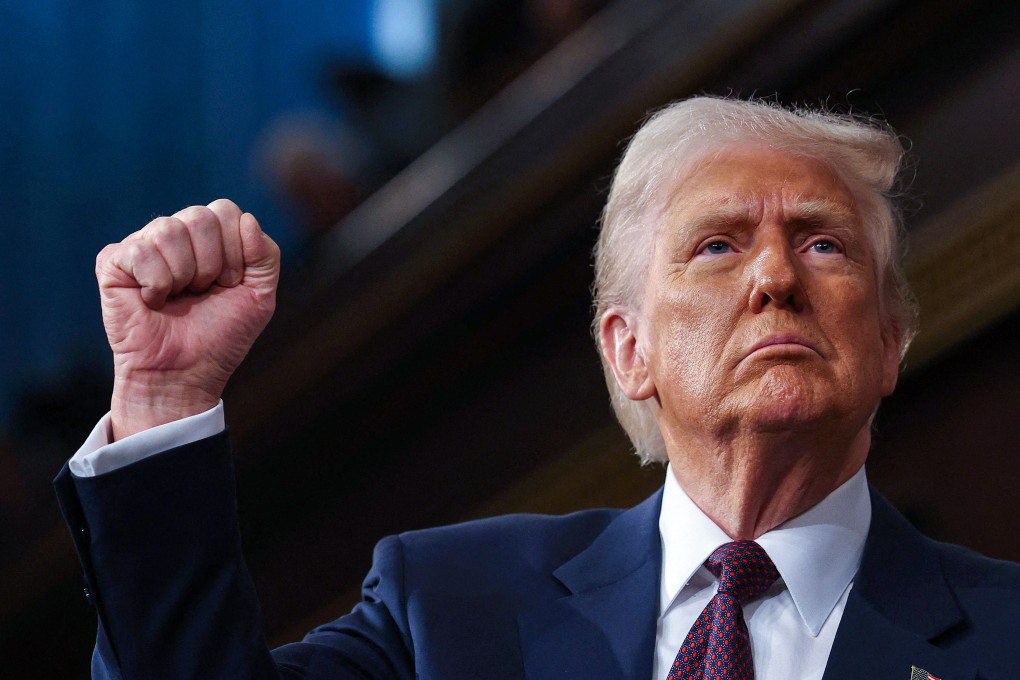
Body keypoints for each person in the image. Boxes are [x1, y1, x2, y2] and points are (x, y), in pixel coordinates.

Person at [55, 97, 1020, 680]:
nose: (775, 278)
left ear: (891, 342)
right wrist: (166, 400)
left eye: (823, 243)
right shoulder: (448, 607)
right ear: (626, 350)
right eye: (718, 245)